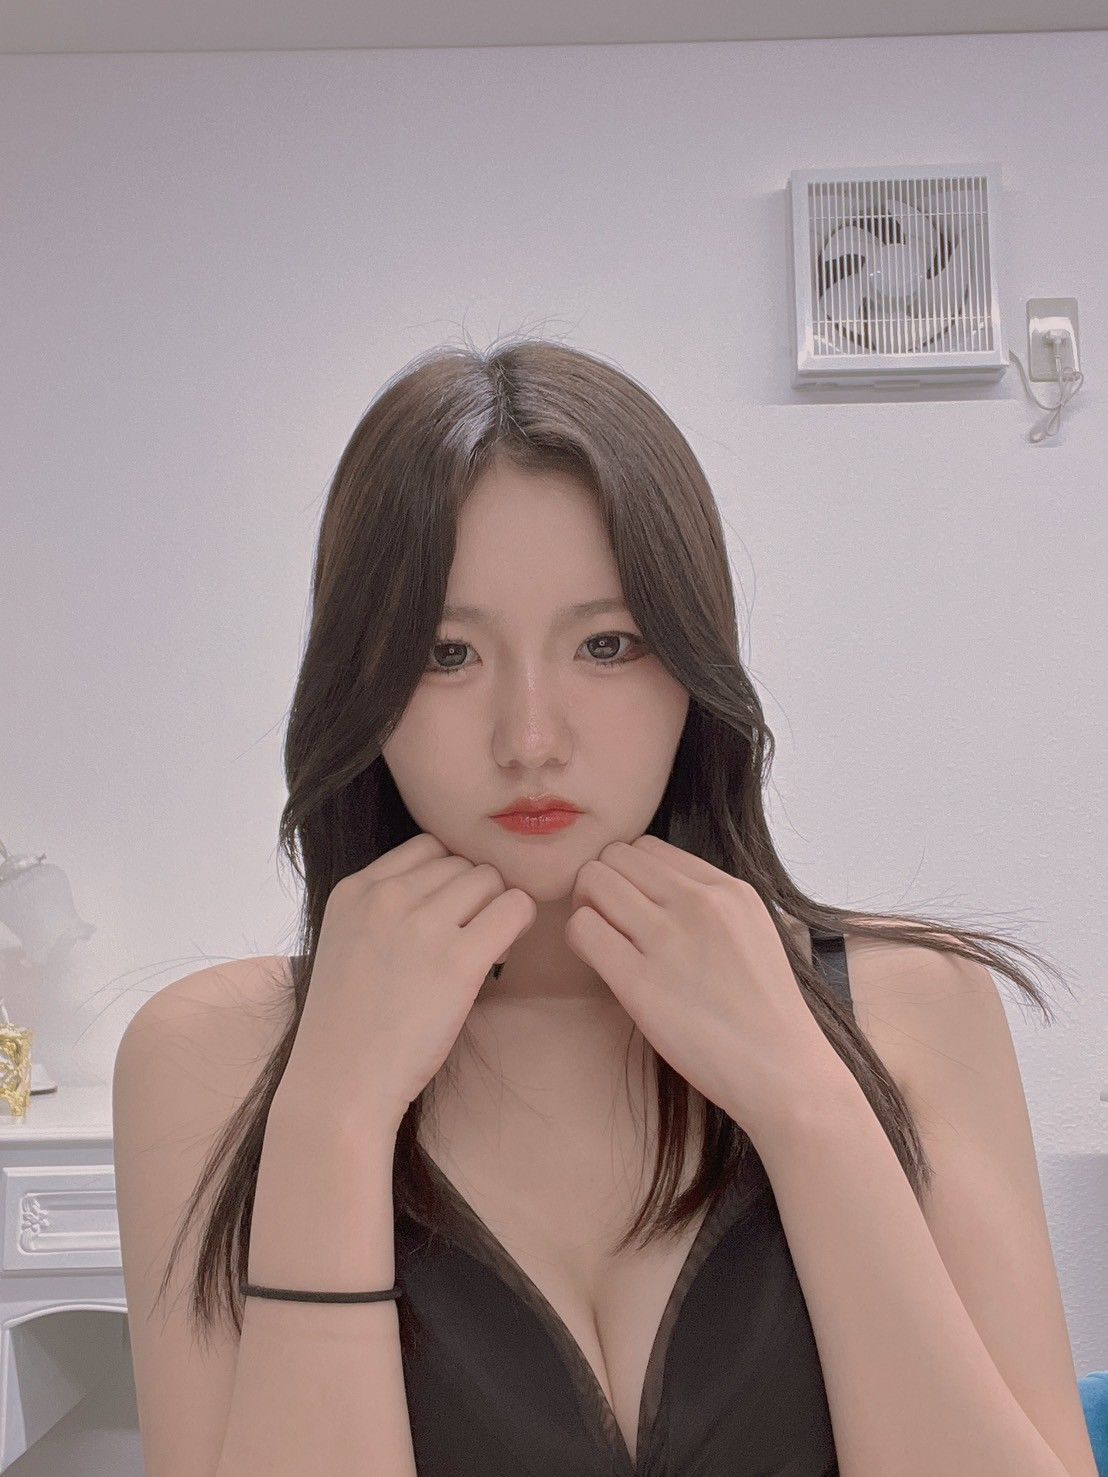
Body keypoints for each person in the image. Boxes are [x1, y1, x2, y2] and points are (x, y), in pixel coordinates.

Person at [113, 337, 1093, 1477]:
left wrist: (806, 1101)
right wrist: (334, 1113)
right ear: (360, 685)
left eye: (606, 644)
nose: (531, 738)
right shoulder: (213, 1059)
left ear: (692, 666)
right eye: (446, 652)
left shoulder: (911, 1006)